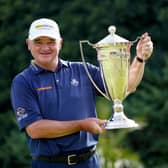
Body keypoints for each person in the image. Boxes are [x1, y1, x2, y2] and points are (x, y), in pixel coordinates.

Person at [10, 18, 153, 168]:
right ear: (28, 44)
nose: (45, 47)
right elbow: (35, 129)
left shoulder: (82, 70)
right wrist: (82, 125)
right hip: (49, 164)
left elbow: (123, 88)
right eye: (38, 42)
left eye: (51, 41)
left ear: (60, 43)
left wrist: (140, 58)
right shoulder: (23, 81)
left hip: (89, 162)